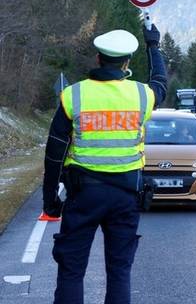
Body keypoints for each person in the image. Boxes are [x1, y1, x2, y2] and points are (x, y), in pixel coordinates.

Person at [42, 24, 167, 304]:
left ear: (98, 58)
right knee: (119, 271)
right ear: (126, 64)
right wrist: (153, 46)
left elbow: (54, 153)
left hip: (83, 196)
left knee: (71, 270)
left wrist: (50, 199)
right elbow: (161, 84)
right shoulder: (141, 95)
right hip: (126, 196)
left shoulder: (74, 95)